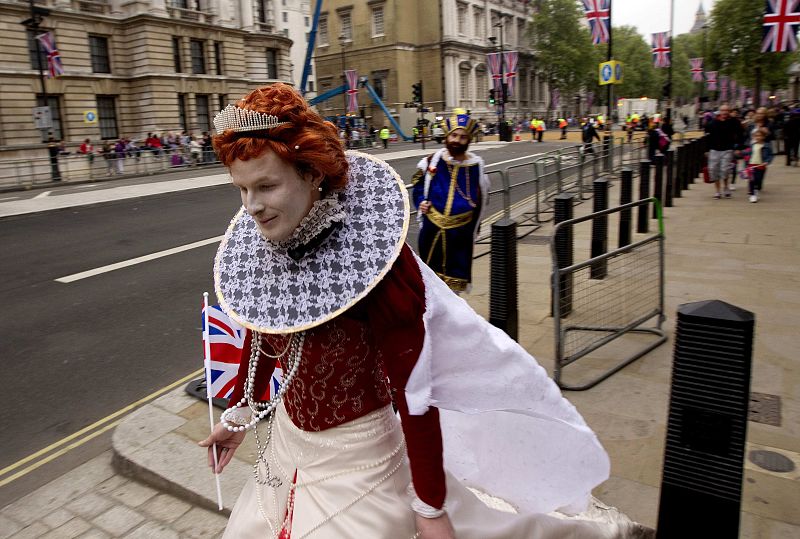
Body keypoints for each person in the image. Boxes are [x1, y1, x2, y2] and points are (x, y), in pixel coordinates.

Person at [199, 84, 644, 539]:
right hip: (287, 449)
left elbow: (416, 393)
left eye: (267, 186)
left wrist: (430, 507)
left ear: (312, 173)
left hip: (361, 462)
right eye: (242, 189)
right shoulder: (267, 247)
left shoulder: (377, 268)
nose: (251, 207)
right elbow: (264, 325)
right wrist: (240, 414)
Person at [411, 109, 489, 294]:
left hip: (460, 235)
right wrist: (421, 201)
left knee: (454, 286)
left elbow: (483, 198)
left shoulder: (476, 167)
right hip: (432, 230)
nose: (456, 140)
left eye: (462, 137)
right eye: (454, 135)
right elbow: (419, 187)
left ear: (468, 140)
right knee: (430, 281)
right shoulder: (431, 161)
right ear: (447, 135)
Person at [704, 104, 741, 199]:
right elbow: (707, 136)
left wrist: (737, 148)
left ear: (729, 112)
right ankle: (717, 191)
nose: (725, 112)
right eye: (723, 110)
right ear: (719, 111)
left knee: (725, 170)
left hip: (727, 149)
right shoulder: (713, 123)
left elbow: (740, 134)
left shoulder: (733, 122)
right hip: (714, 149)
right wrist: (706, 150)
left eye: (727, 110)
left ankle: (726, 187)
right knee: (714, 170)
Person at [740, 127, 773, 203]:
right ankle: (752, 195)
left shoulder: (767, 146)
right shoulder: (752, 145)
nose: (758, 137)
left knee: (758, 179)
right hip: (751, 165)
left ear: (763, 137)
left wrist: (767, 161)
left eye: (760, 136)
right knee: (752, 180)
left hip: (761, 165)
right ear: (754, 137)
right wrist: (741, 152)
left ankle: (756, 189)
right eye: (756, 136)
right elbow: (748, 152)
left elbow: (771, 155)